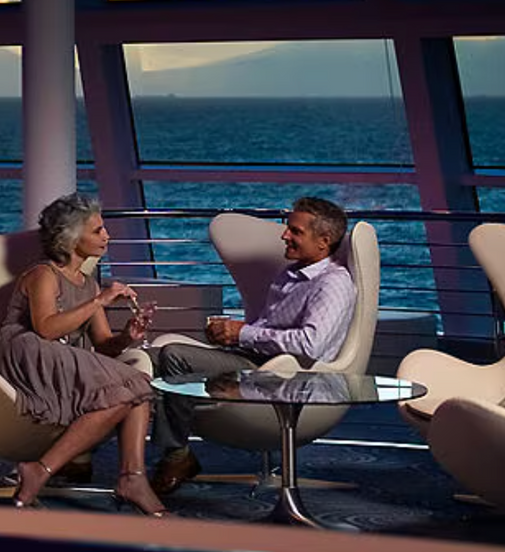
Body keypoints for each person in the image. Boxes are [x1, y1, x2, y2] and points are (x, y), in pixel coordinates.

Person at [146, 196, 356, 497]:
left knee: (174, 356)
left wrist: (243, 334)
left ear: (323, 241)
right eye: (287, 228)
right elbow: (265, 331)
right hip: (252, 360)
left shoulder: (332, 283)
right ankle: (92, 452)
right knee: (148, 358)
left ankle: (176, 457)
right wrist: (231, 335)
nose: (284, 235)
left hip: (283, 376)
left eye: (295, 231)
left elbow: (310, 345)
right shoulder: (290, 273)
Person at [0, 192, 168, 517]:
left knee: (137, 387)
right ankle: (49, 471)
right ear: (71, 237)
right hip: (28, 351)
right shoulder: (43, 274)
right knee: (131, 389)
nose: (107, 236)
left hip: (61, 356)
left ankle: (132, 476)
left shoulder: (87, 283)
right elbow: (46, 328)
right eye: (98, 230)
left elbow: (103, 344)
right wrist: (101, 301)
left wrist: (127, 336)